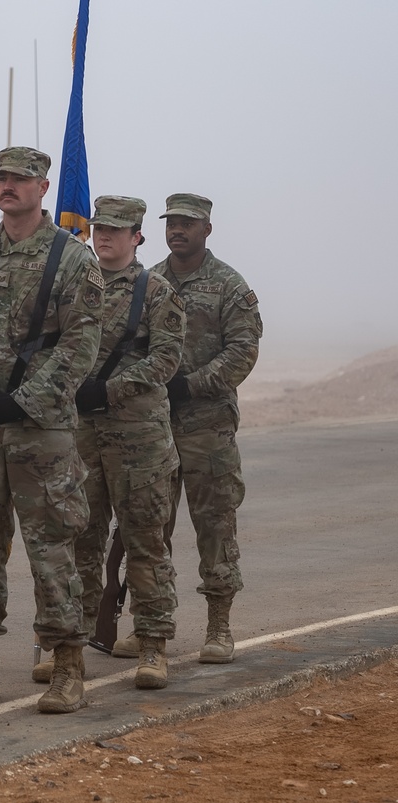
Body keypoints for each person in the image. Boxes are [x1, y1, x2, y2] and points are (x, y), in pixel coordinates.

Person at [0, 146, 104, 714]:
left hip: (41, 429)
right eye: (3, 178)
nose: (9, 187)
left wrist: (22, 402)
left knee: (51, 551)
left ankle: (67, 665)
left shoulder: (73, 259)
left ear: (45, 187)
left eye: (22, 179)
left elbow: (81, 345)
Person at [32, 196, 185, 689]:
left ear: (138, 236)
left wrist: (111, 388)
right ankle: (65, 648)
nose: (105, 236)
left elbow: (166, 360)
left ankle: (153, 644)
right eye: (100, 228)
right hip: (80, 433)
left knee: (145, 543)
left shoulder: (157, 291)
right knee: (78, 543)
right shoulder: (73, 286)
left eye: (117, 230)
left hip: (138, 435)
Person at [111, 193, 262, 664]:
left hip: (206, 426)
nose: (177, 230)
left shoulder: (228, 286)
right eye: (171, 223)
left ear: (207, 230)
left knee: (214, 522)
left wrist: (191, 384)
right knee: (148, 527)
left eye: (188, 224)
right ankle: (148, 624)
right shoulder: (147, 281)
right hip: (150, 425)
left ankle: (219, 625)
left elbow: (243, 351)